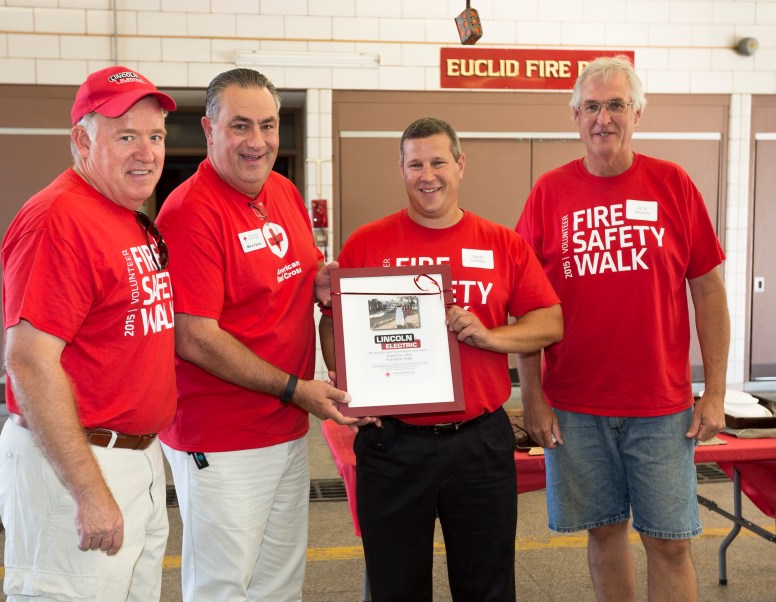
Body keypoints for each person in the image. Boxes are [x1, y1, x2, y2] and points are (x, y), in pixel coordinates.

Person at [319, 117, 563, 601]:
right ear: (401, 170)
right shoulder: (367, 243)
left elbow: (550, 322)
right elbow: (333, 324)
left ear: (460, 164)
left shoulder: (502, 243)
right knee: (395, 588)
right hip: (391, 445)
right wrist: (350, 384)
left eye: (437, 162)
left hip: (479, 443)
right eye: (415, 165)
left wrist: (491, 336)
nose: (427, 175)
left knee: (487, 586)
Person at [515, 55, 730, 602]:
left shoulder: (673, 184)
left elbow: (708, 291)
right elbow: (525, 304)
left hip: (661, 407)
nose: (603, 118)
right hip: (575, 406)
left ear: (637, 112)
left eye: (616, 105)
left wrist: (715, 392)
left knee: (670, 543)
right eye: (591, 107)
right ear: (575, 116)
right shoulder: (549, 193)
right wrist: (533, 398)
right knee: (604, 534)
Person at [155, 68, 364, 602]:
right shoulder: (190, 212)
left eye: (268, 125)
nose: (257, 141)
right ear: (209, 129)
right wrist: (295, 389)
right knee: (224, 589)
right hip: (222, 438)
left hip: (285, 427)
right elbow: (195, 336)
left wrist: (319, 282)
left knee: (278, 584)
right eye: (240, 126)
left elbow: (289, 278)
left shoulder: (284, 192)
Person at [0, 66, 177, 601]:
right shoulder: (59, 218)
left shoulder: (123, 214)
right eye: (126, 137)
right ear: (82, 140)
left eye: (156, 136)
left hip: (135, 460)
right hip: (81, 465)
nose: (146, 152)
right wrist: (89, 490)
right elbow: (29, 360)